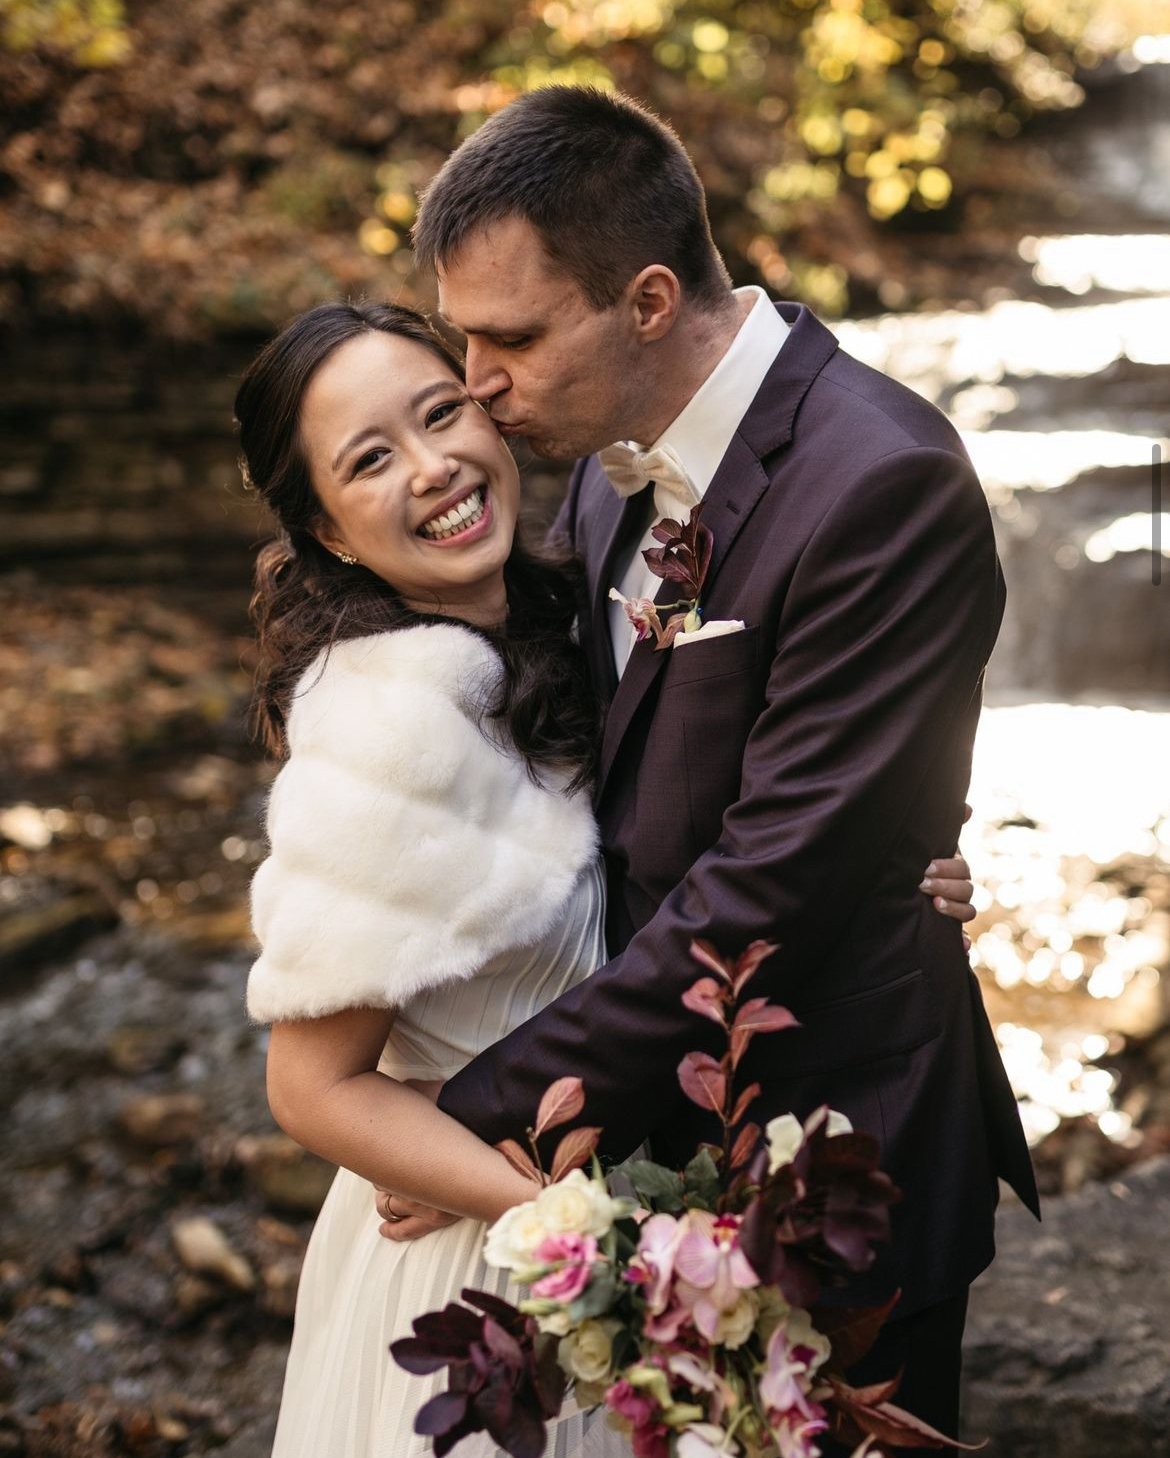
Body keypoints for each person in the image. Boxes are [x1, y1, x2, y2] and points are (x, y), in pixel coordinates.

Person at [371, 85, 1040, 1451]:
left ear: (650, 298)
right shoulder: (612, 468)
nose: (478, 384)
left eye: (509, 337)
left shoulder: (882, 480)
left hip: (838, 1162)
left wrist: (473, 1109)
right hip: (650, 1138)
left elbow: (772, 878)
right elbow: (609, 771)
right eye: (459, 338)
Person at [236, 299, 977, 1458]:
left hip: (621, 1204)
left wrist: (883, 855)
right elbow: (312, 1088)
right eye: (371, 460)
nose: (434, 468)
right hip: (496, 1254)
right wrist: (580, 1224)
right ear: (327, 530)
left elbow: (722, 808)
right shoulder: (383, 734)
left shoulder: (567, 583)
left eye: (443, 412)